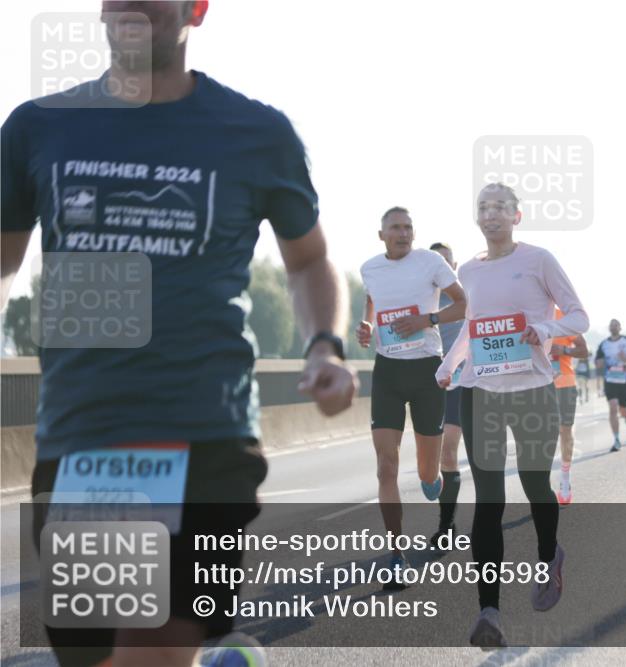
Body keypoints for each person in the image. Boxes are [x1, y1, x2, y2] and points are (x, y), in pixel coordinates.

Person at [0, 3, 358, 665]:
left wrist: (323, 346)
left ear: (196, 7)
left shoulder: (255, 132)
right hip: (84, 436)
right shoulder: (37, 128)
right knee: (98, 656)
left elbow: (307, 260)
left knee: (154, 647)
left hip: (206, 431)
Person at [436, 183, 588, 648]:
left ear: (516, 216)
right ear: (477, 218)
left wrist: (543, 328)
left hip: (534, 391)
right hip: (481, 391)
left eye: (501, 206)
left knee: (535, 482)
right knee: (489, 501)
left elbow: (579, 317)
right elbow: (473, 328)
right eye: (484, 207)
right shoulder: (468, 270)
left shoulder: (539, 260)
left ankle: (548, 557)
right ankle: (490, 613)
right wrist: (449, 363)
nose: (492, 214)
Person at [357, 209, 466, 585]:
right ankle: (396, 555)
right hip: (387, 371)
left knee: (427, 471)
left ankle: (432, 479)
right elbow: (372, 299)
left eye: (408, 228)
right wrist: (368, 323)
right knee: (385, 466)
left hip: (426, 372)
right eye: (395, 228)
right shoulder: (370, 268)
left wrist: (427, 320)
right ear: (381, 234)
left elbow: (464, 305)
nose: (403, 233)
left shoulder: (431, 262)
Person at [425, 242, 466, 549]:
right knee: (434, 458)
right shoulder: (421, 296)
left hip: (460, 381)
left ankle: (446, 525)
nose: (442, 267)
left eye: (447, 262)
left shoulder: (466, 296)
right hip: (426, 383)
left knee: (449, 449)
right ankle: (445, 514)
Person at [550, 308, 589, 506]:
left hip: (564, 383)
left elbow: (584, 350)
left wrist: (564, 350)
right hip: (538, 385)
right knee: (541, 434)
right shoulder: (527, 312)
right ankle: (541, 486)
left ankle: (565, 478)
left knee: (565, 431)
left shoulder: (563, 317)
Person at [594, 320, 626, 452]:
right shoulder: (604, 344)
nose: (613, 326)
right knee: (613, 407)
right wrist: (599, 363)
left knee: (623, 410)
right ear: (609, 328)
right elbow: (598, 361)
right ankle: (616, 440)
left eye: (616, 324)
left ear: (620, 327)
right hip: (610, 380)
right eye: (611, 325)